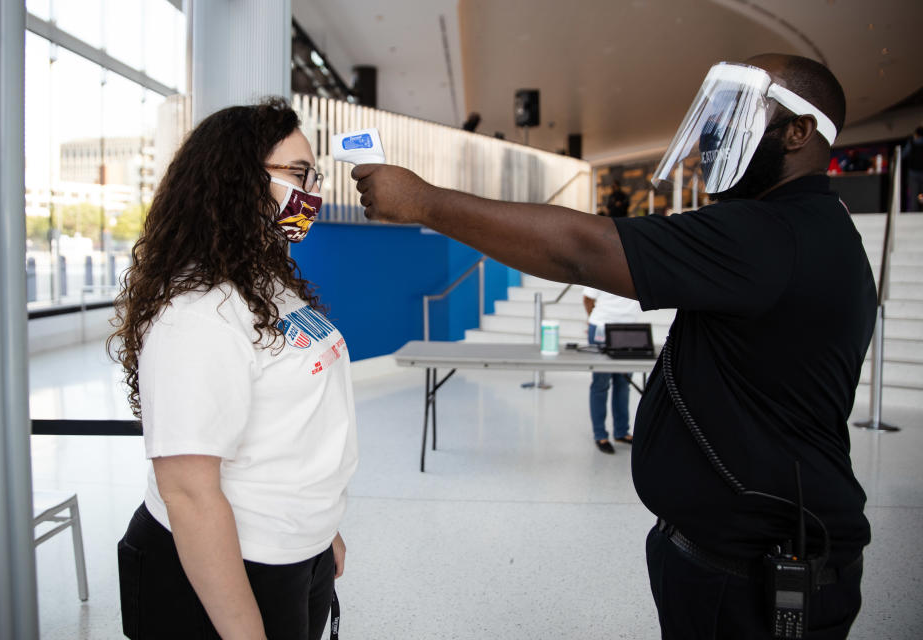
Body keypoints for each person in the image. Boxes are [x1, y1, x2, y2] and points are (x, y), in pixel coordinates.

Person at [351, 54, 873, 638]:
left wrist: (423, 201)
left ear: (800, 131)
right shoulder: (805, 227)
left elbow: (582, 250)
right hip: (739, 556)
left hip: (750, 577)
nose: (716, 131)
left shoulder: (773, 233)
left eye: (742, 112)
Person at [108, 98, 358, 640]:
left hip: (297, 549)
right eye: (297, 173)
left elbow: (300, 423)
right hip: (226, 569)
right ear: (237, 180)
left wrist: (322, 530)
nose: (311, 192)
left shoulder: (267, 279)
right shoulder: (196, 311)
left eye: (311, 174)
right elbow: (190, 492)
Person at [583, 287, 641, 453]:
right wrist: (592, 319)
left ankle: (621, 432)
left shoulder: (637, 267)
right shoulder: (598, 265)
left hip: (629, 330)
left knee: (624, 383)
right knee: (601, 384)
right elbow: (588, 299)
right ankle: (600, 435)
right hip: (602, 327)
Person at [901, 126, 923, 211]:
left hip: (913, 173)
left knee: (914, 195)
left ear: (916, 134)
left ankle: (914, 213)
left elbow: (904, 155)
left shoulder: (912, 142)